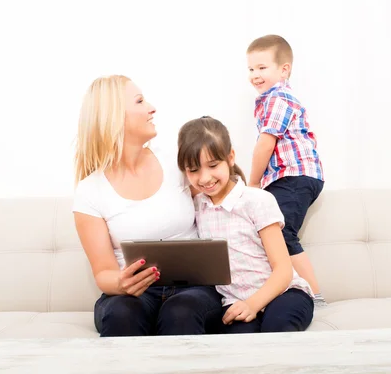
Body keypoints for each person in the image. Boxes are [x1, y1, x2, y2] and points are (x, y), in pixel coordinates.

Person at [72, 75, 223, 336]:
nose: (152, 108)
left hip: (194, 289)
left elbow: (221, 198)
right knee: (121, 314)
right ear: (114, 117)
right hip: (133, 294)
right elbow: (104, 272)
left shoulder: (177, 163)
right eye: (140, 101)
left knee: (181, 312)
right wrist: (120, 283)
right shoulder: (89, 191)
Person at [176, 116, 314, 333]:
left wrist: (254, 304)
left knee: (277, 327)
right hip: (235, 302)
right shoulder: (196, 206)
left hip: (284, 293)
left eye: (213, 165)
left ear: (230, 157)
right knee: (239, 341)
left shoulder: (257, 200)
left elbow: (283, 270)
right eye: (193, 170)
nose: (204, 178)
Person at [246, 34, 327, 307]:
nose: (255, 75)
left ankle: (315, 295)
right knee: (267, 232)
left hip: (295, 176)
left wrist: (253, 183)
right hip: (291, 177)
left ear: (284, 69)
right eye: (251, 69)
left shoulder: (278, 98)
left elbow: (266, 142)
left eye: (262, 68)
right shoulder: (271, 99)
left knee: (280, 232)